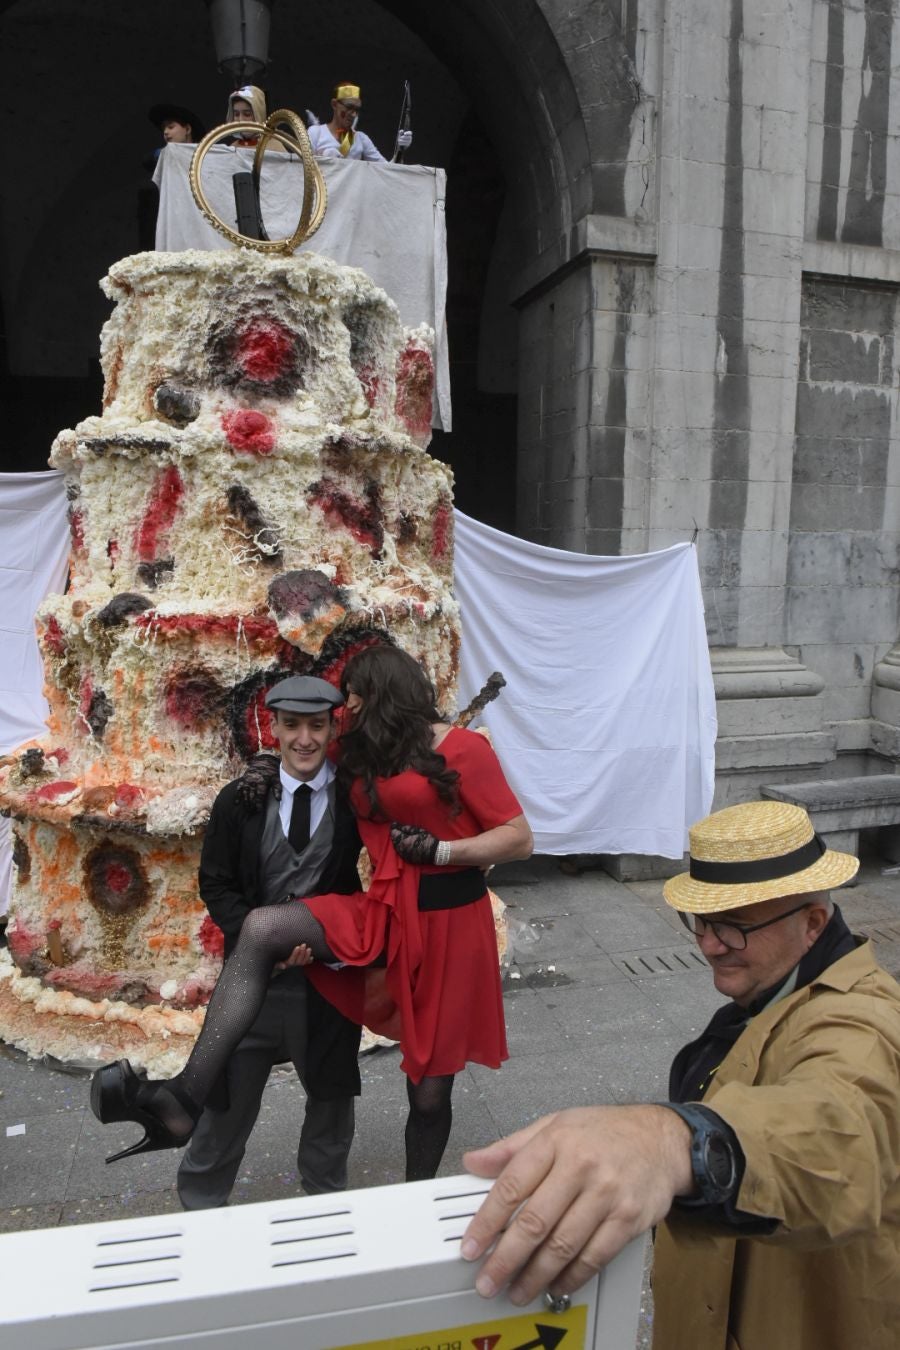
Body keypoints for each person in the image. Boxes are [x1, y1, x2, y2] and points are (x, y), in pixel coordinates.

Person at [459, 800, 900, 1349]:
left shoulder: (863, 1021)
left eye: (735, 926)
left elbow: (839, 1134)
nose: (711, 945)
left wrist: (671, 1141)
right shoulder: (776, 987)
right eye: (702, 921)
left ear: (812, 924)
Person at [91, 645, 533, 1182]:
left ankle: (417, 1199)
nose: (344, 716)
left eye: (354, 703)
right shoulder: (359, 754)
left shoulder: (462, 750)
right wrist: (259, 766)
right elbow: (300, 749)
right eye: (344, 707)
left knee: (430, 1090)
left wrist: (444, 852)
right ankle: (182, 1097)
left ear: (380, 698)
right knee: (261, 926)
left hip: (448, 925)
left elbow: (519, 839)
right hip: (387, 909)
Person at [176, 675, 363, 1207]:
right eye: (293, 725)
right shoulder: (240, 799)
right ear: (273, 727)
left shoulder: (355, 799)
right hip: (252, 985)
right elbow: (215, 883)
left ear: (333, 728)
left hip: (328, 986)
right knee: (225, 1106)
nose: (305, 739)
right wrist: (262, 940)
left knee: (330, 1107)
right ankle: (199, 1213)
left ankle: (327, 1216)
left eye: (317, 726)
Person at [307, 83, 393, 161]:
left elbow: (386, 169)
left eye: (356, 109)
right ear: (334, 104)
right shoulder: (316, 133)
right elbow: (302, 166)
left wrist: (400, 149)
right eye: (349, 107)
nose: (354, 114)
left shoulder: (360, 138)